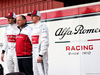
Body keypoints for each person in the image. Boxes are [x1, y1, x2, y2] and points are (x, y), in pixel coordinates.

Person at [27, 10, 49, 75]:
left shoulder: (42, 26)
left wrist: (41, 54)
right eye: (31, 16)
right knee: (35, 71)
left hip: (40, 54)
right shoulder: (34, 28)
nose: (31, 17)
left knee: (42, 72)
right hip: (34, 53)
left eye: (33, 16)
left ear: (38, 17)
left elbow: (45, 41)